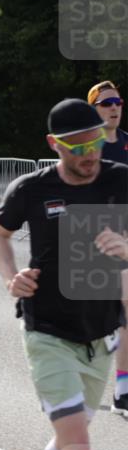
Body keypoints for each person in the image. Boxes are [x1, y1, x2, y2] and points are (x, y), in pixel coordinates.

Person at [0, 98, 128, 450]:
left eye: (95, 142)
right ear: (55, 147)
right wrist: (10, 277)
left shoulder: (119, 180)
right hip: (46, 331)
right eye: (77, 147)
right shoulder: (31, 190)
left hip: (99, 338)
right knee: (79, 448)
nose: (89, 154)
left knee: (71, 437)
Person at [88, 81, 128, 418]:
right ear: (94, 110)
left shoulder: (127, 144)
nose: (114, 107)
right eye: (106, 103)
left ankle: (122, 389)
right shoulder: (89, 147)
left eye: (117, 101)